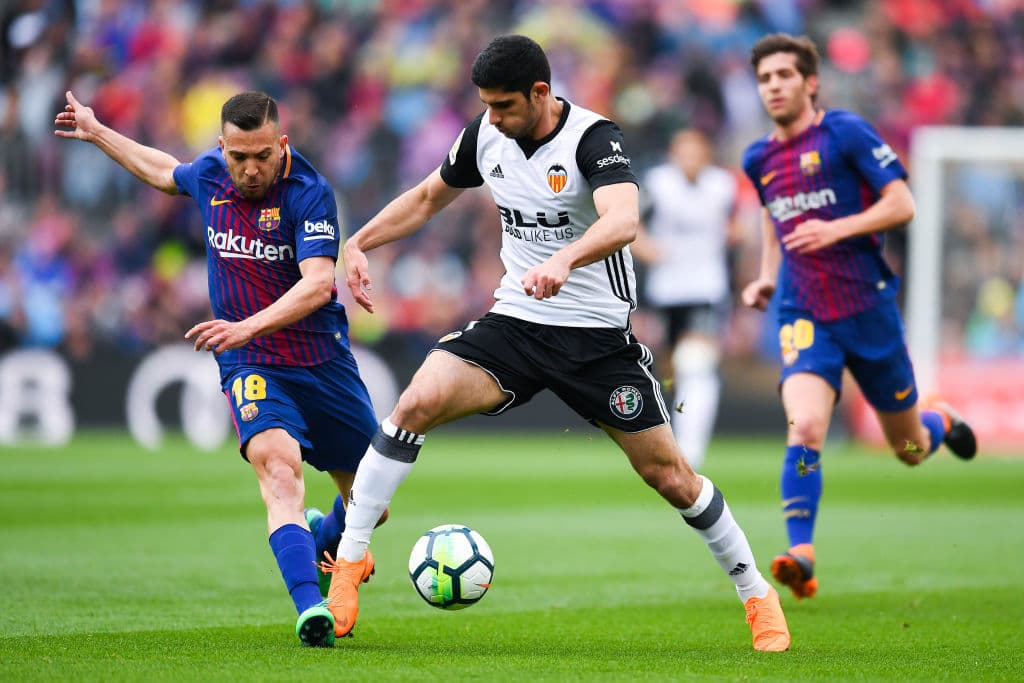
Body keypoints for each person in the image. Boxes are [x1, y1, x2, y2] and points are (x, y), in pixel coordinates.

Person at [324, 34, 790, 652]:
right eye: (485, 105)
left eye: (504, 105)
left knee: (672, 477)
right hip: (515, 323)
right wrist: (360, 241)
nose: (491, 117)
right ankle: (351, 562)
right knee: (414, 404)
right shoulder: (486, 134)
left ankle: (756, 593)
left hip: (596, 340)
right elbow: (430, 196)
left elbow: (623, 221)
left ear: (540, 94)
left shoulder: (595, 139)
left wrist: (566, 260)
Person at [54, 90, 386, 647]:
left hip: (320, 359)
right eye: (238, 156)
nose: (250, 169)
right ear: (221, 148)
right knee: (280, 474)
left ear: (282, 144)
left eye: (261, 155)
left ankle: (328, 539)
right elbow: (165, 172)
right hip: (252, 362)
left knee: (371, 508)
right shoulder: (211, 174)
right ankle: (311, 608)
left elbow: (316, 285)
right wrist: (99, 132)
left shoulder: (309, 193)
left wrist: (245, 325)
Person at [739, 33, 977, 601]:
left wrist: (837, 228)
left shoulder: (844, 132)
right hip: (804, 311)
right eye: (765, 78)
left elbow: (902, 203)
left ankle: (938, 422)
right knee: (806, 427)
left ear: (810, 82)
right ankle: (802, 550)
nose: (773, 86)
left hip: (868, 309)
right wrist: (768, 273)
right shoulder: (758, 158)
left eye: (783, 76)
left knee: (910, 450)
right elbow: (776, 222)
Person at [632, 128, 741, 470]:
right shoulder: (658, 184)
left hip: (706, 288)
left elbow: (738, 228)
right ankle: (668, 440)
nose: (690, 159)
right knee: (670, 372)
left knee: (696, 364)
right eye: (684, 152)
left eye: (696, 152)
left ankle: (690, 453)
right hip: (666, 291)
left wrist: (733, 240)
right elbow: (628, 223)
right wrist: (646, 248)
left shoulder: (722, 186)